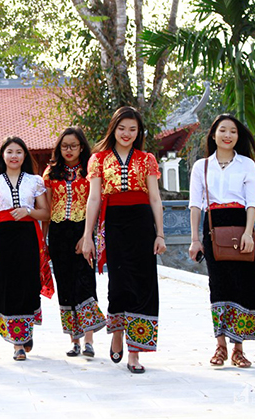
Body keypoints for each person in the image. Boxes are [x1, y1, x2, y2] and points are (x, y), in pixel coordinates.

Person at [82, 106, 166, 373]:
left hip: (142, 224)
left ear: (139, 131)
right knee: (119, 282)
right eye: (122, 128)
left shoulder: (147, 159)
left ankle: (135, 352)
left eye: (133, 129)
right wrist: (88, 237)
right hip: (113, 223)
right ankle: (117, 330)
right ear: (113, 129)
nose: (127, 133)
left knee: (144, 284)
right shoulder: (98, 159)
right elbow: (94, 198)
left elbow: (155, 197)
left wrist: (160, 233)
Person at [188, 114, 255, 368]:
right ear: (213, 134)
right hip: (213, 227)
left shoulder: (247, 164)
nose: (227, 135)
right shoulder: (201, 167)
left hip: (241, 225)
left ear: (238, 137)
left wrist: (248, 233)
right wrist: (195, 239)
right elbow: (195, 205)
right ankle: (220, 346)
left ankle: (238, 349)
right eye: (223, 130)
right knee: (218, 286)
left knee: (243, 285)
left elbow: (253, 202)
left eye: (233, 131)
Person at [0, 136, 53, 361]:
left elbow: (46, 214)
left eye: (19, 152)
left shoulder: (35, 181)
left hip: (28, 238)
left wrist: (28, 211)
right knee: (6, 286)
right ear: (2, 155)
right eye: (9, 152)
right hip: (4, 239)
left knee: (28, 285)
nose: (14, 156)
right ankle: (18, 342)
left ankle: (24, 332)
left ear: (25, 155)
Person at [42, 127, 106, 357]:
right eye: (64, 146)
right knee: (66, 284)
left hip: (83, 230)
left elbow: (96, 203)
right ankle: (74, 340)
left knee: (85, 282)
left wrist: (88, 235)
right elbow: (48, 209)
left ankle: (89, 340)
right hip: (59, 232)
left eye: (74, 146)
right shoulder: (50, 173)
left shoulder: (91, 170)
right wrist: (43, 239)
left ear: (81, 147)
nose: (69, 150)